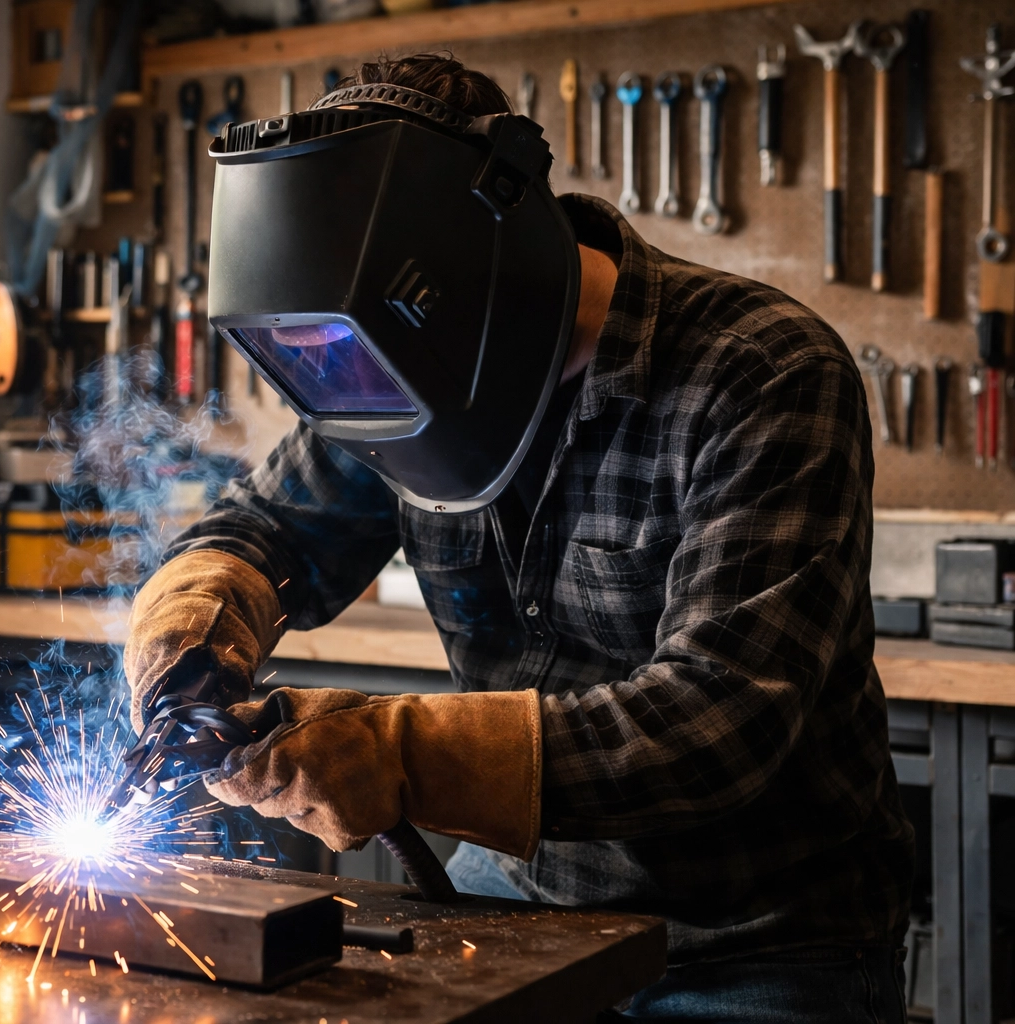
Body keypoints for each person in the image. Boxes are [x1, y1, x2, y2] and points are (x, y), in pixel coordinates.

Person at [123, 54, 913, 1022]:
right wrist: (196, 623)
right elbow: (263, 526)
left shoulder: (763, 373)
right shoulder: (391, 364)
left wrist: (397, 752)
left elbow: (719, 727)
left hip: (756, 937)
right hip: (520, 891)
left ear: (482, 261)